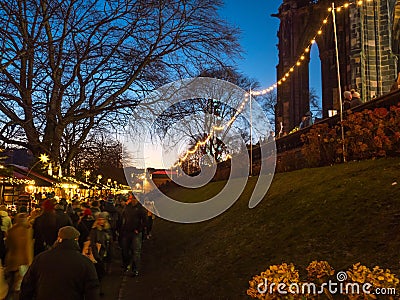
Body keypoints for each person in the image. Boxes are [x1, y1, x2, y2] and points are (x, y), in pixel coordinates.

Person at [20, 226, 100, 300]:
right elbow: (92, 288)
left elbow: (28, 284)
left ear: (59, 238)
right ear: (76, 240)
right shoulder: (84, 262)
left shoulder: (41, 258)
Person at [4, 213, 33, 299]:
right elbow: (28, 248)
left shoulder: (12, 230)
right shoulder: (28, 230)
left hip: (11, 260)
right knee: (19, 285)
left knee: (11, 283)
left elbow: (8, 245)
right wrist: (30, 261)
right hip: (23, 261)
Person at [120, 195, 147, 276]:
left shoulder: (141, 209)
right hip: (126, 232)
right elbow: (123, 218)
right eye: (132, 198)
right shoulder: (127, 208)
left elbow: (145, 221)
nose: (133, 200)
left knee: (136, 251)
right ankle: (126, 265)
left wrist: (139, 229)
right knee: (125, 250)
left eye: (135, 198)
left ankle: (135, 269)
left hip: (135, 233)